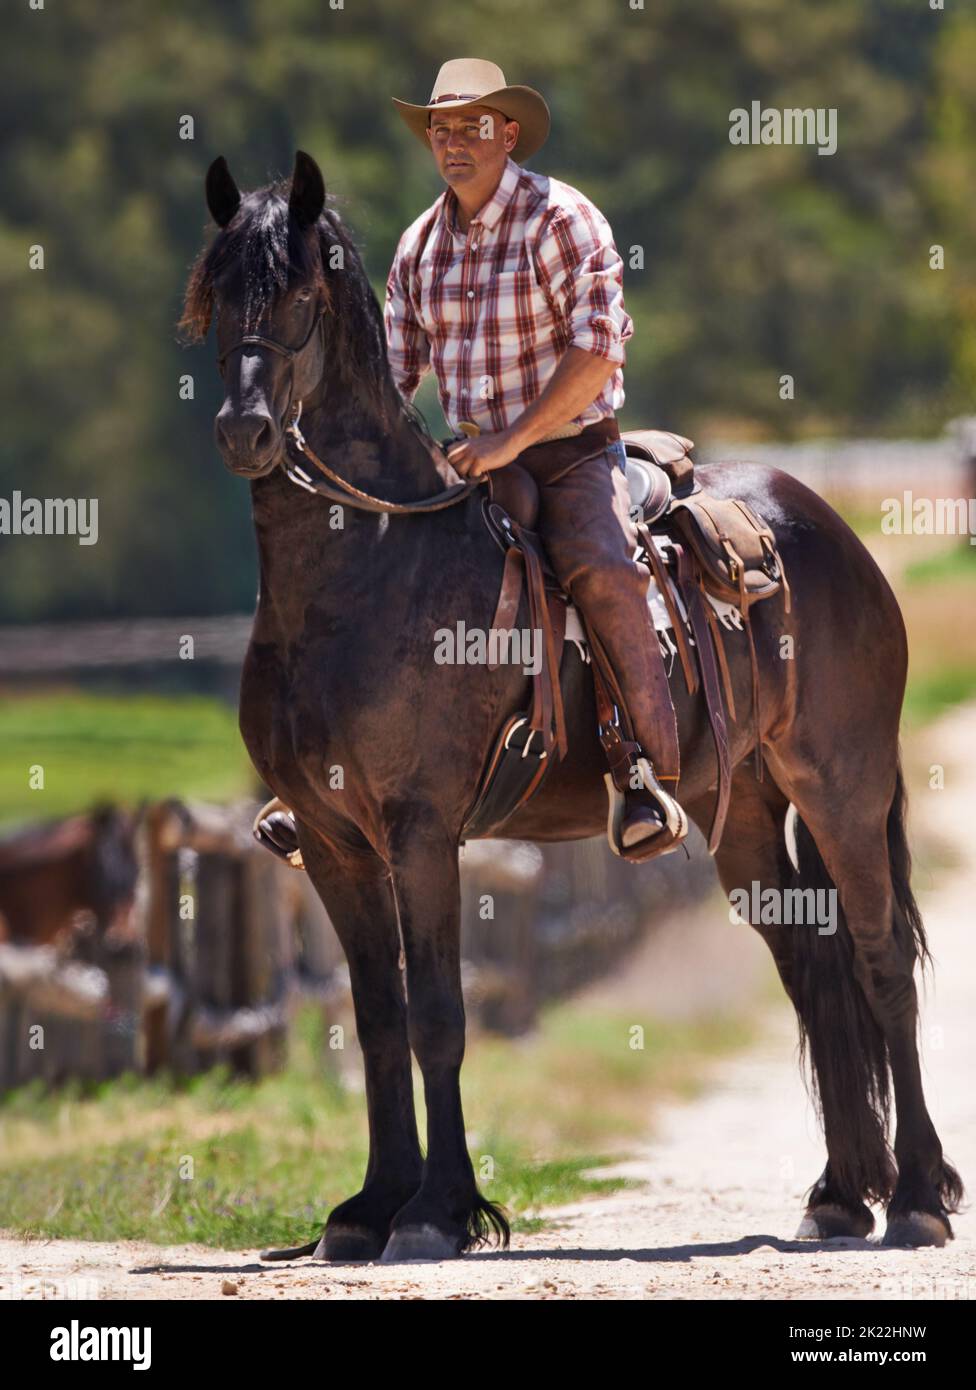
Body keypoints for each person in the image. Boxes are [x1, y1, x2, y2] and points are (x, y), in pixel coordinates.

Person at [384, 58, 686, 851]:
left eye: (471, 126)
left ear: (507, 133)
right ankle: (335, 770)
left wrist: (509, 442)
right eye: (440, 128)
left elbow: (599, 351)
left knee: (600, 564)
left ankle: (643, 770)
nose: (452, 142)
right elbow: (392, 375)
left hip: (569, 455)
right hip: (471, 467)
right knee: (371, 569)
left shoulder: (562, 220)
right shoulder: (418, 249)